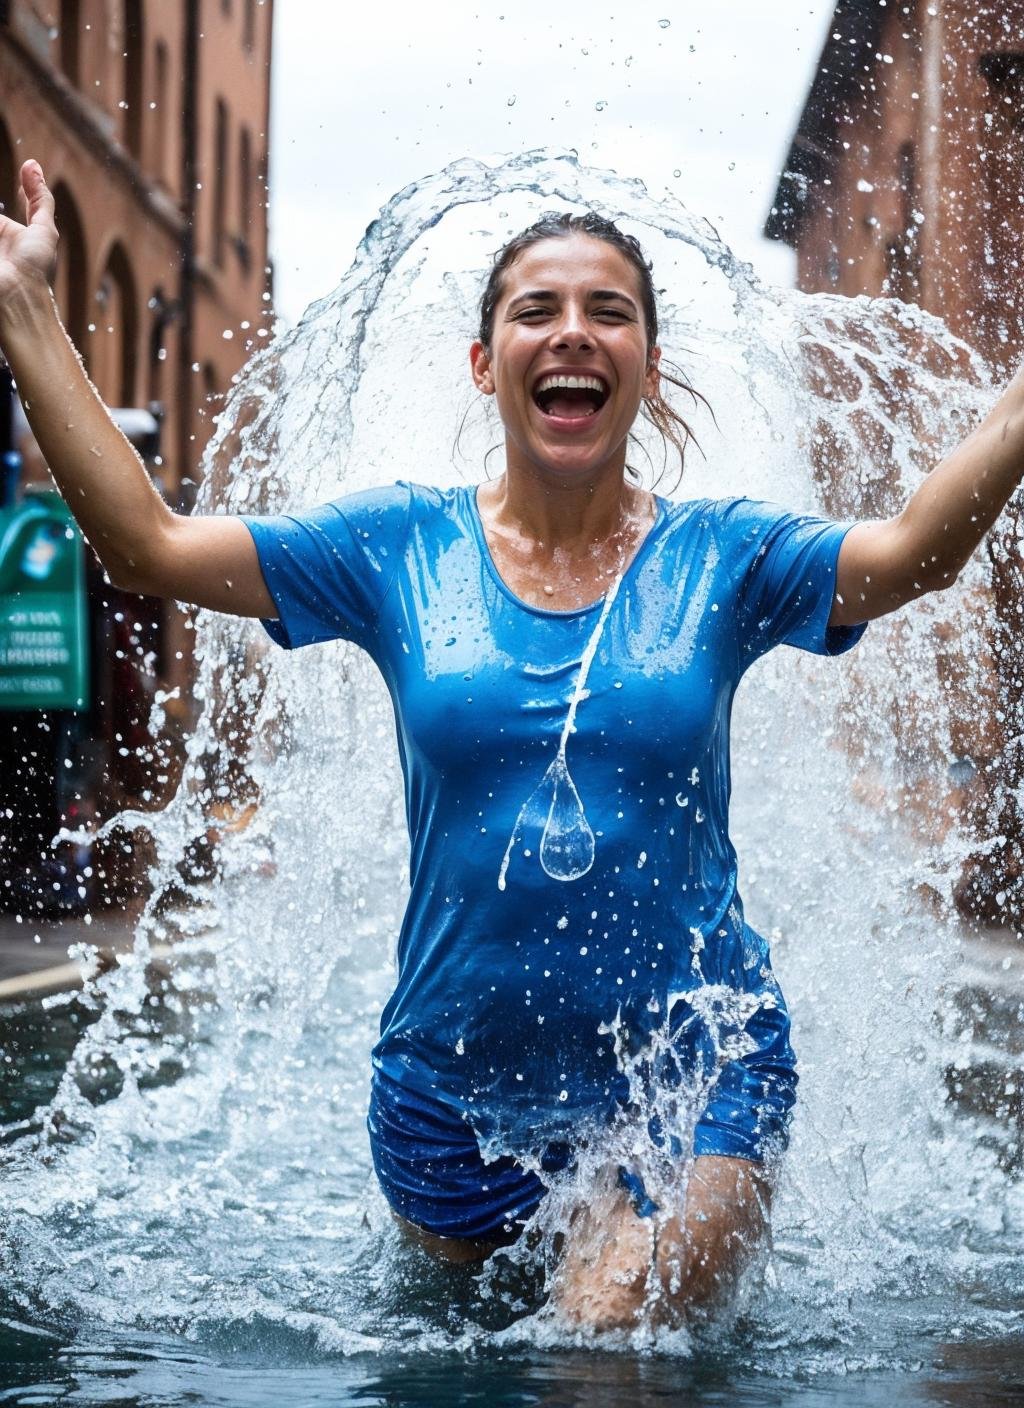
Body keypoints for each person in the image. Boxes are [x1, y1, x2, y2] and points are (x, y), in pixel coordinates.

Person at [1, 159, 1022, 1332]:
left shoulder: (725, 558)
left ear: (646, 362)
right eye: (535, 310)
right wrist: (26, 311)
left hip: (687, 1075)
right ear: (487, 364)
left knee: (601, 1343)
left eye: (608, 311)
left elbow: (909, 556)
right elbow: (148, 546)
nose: (572, 333)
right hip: (451, 1095)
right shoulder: (392, 547)